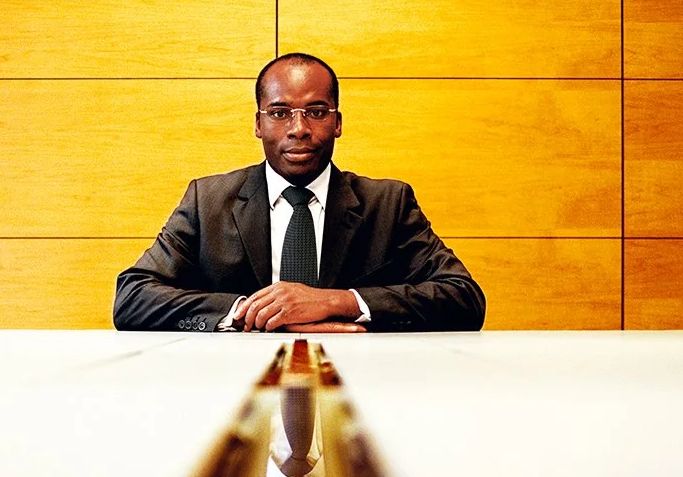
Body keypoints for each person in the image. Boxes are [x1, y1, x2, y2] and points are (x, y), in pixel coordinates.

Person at [112, 52, 485, 333]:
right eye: (279, 113)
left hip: (362, 383)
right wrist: (253, 313)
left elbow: (464, 298)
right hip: (232, 388)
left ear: (338, 123)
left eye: (317, 112)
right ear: (258, 124)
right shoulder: (208, 200)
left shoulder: (387, 204)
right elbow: (132, 296)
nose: (299, 129)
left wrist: (335, 302)